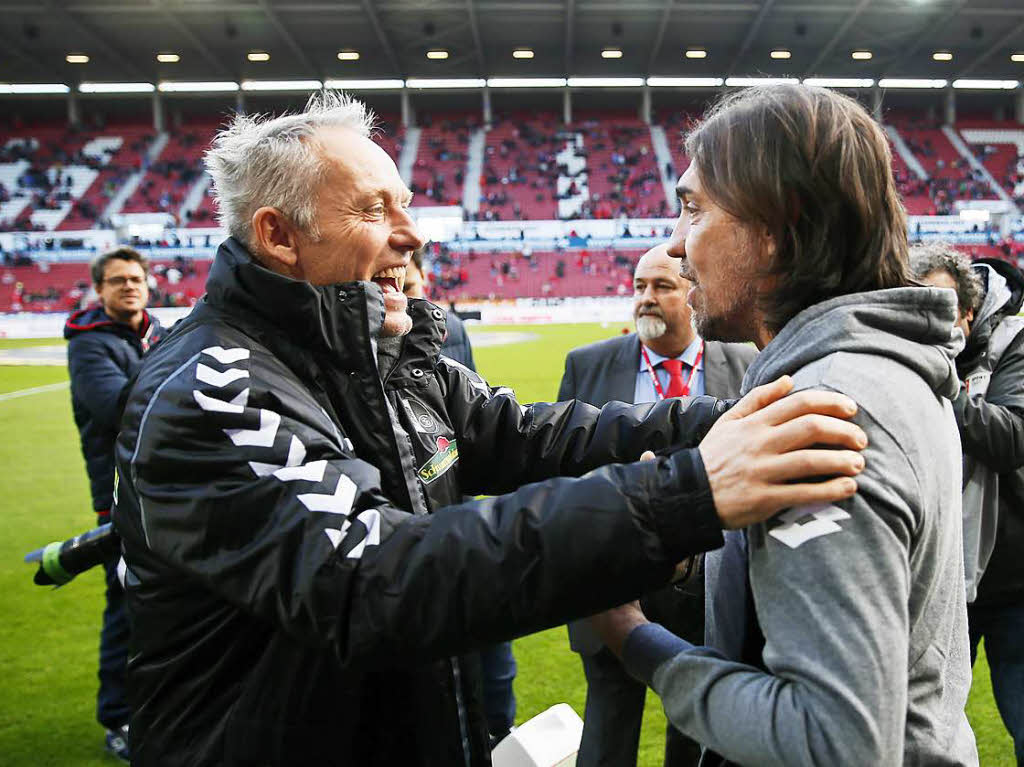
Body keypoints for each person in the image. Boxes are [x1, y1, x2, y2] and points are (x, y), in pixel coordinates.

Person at [112, 91, 868, 767]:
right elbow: (380, 579)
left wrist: (727, 417)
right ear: (279, 236)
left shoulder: (381, 359)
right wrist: (686, 493)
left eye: (405, 204)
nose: (414, 236)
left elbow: (534, 435)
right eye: (376, 210)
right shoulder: (215, 391)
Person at [592, 84, 979, 766]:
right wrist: (696, 564)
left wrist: (636, 639)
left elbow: (835, 743)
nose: (676, 245)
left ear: (775, 226)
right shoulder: (880, 367)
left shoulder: (828, 407)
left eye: (693, 207)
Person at [559, 243, 755, 767]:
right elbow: (560, 470)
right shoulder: (588, 365)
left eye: (663, 286)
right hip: (613, 583)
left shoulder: (745, 362)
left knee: (692, 739)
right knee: (606, 741)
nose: (646, 298)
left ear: (694, 291)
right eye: (640, 286)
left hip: (707, 584)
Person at [913, 245, 1024, 764]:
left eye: (943, 304)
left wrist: (946, 386)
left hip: (1012, 581)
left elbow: (1011, 439)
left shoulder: (1013, 345)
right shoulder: (897, 357)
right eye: (919, 302)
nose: (931, 316)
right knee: (922, 733)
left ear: (969, 312)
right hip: (932, 579)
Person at [404, 248, 517, 745]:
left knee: (484, 612)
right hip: (406, 520)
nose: (403, 303)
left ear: (423, 281)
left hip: (452, 494)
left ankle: (496, 723)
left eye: (409, 288)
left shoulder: (448, 328)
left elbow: (465, 417)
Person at [64, 246, 164, 762]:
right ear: (99, 290)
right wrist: (176, 381)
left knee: (169, 605)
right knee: (125, 607)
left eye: (136, 278)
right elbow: (117, 406)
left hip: (167, 491)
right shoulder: (87, 346)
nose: (129, 286)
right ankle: (118, 718)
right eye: (117, 280)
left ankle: (162, 705)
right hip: (119, 497)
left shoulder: (157, 335)